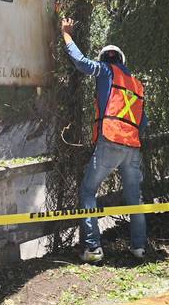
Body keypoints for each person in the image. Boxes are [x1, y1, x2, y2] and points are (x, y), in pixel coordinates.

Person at [61, 18, 147, 263]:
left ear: (106, 59)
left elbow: (81, 63)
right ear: (123, 61)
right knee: (134, 198)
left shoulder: (105, 71)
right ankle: (139, 248)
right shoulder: (137, 85)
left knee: (88, 190)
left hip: (110, 140)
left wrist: (66, 35)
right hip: (132, 147)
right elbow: (143, 122)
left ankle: (93, 248)